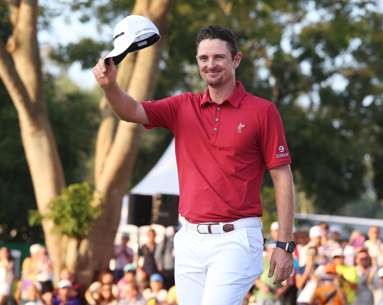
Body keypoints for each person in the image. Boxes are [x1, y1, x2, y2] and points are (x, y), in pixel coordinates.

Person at [93, 24, 294, 305]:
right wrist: (110, 87)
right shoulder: (182, 107)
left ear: (236, 59)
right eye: (203, 58)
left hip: (236, 239)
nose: (210, 64)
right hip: (189, 239)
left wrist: (284, 244)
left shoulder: (262, 112)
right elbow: (130, 110)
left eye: (218, 57)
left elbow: (282, 177)